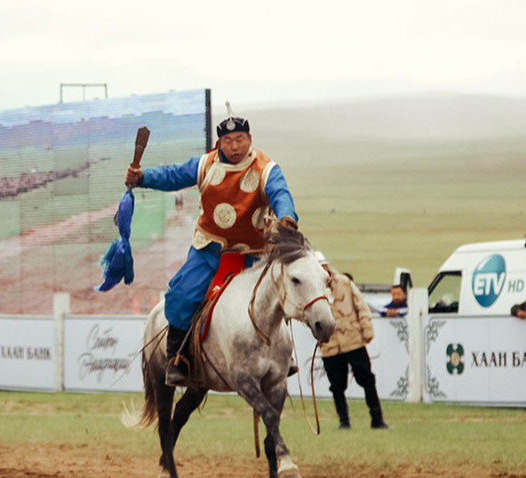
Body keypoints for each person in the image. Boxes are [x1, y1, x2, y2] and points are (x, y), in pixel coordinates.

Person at [125, 107, 298, 386]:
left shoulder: (266, 169)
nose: (235, 146)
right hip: (209, 251)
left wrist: (287, 216)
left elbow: (281, 193)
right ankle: (177, 359)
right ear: (220, 143)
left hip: (253, 255)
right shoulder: (205, 165)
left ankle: (284, 354)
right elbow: (173, 175)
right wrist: (143, 177)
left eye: (240, 139)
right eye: (228, 141)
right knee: (182, 294)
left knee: (280, 293)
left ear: (249, 138)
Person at [317, 253, 389, 430]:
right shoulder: (313, 289)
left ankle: (377, 418)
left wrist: (367, 330)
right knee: (336, 385)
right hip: (330, 344)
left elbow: (361, 305)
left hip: (353, 339)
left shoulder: (344, 282)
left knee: (366, 378)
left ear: (327, 266)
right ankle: (344, 421)